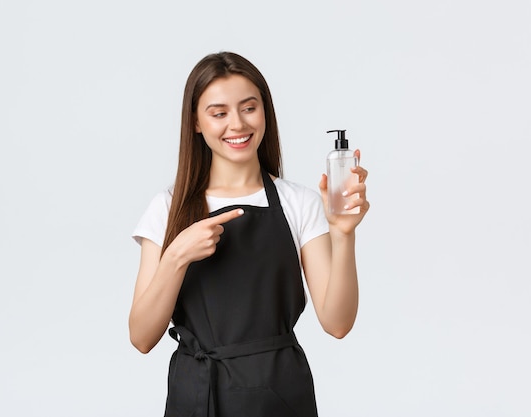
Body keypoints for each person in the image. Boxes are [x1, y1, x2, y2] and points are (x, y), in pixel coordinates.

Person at [129, 51, 369, 417]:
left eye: (249, 108)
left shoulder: (298, 202)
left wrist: (343, 233)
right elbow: (142, 338)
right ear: (195, 121)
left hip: (280, 396)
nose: (237, 125)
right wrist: (177, 256)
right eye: (219, 113)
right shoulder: (167, 209)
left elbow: (338, 324)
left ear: (265, 113)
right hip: (196, 397)